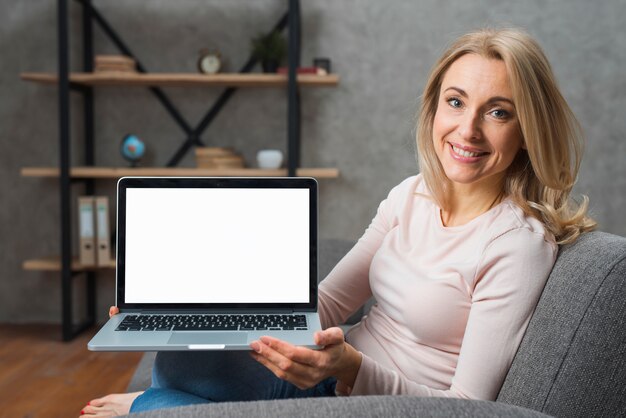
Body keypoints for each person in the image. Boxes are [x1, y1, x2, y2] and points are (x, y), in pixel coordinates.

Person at [80, 27, 596, 417]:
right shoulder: (411, 194)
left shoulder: (517, 245)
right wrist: (197, 307)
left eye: (498, 112)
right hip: (324, 374)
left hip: (372, 404)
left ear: (528, 129)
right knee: (183, 358)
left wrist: (350, 368)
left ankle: (149, 407)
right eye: (456, 102)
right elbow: (325, 304)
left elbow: (466, 405)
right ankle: (160, 398)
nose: (468, 129)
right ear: (434, 108)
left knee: (164, 404)